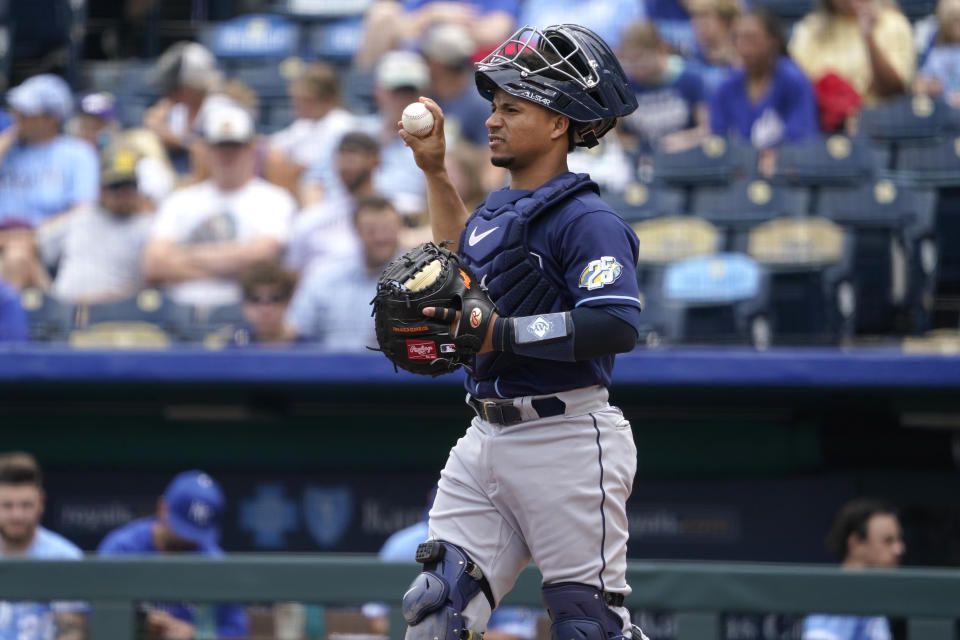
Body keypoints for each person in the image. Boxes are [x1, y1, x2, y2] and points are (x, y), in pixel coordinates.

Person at [395, 23, 646, 640]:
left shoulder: (588, 218)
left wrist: (499, 334)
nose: (493, 120)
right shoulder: (495, 211)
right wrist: (434, 172)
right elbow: (463, 264)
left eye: (512, 107)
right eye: (493, 107)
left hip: (566, 436)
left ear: (558, 122)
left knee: (587, 627)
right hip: (484, 435)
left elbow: (615, 323)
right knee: (434, 613)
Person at [142, 103, 295, 309]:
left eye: (235, 146)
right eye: (219, 146)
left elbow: (260, 258)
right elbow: (154, 264)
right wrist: (231, 269)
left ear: (251, 148)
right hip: (180, 314)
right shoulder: (179, 201)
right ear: (206, 149)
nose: (227, 155)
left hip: (241, 315)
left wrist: (184, 255)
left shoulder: (275, 200)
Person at [97, 470, 248, 640]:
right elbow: (96, 619)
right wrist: (139, 625)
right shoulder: (122, 548)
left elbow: (237, 633)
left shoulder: (215, 563)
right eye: (182, 529)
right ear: (163, 507)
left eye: (195, 534)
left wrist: (196, 635)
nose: (188, 538)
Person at [0, 74, 99, 290]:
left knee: (17, 257)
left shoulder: (77, 153)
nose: (18, 116)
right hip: (5, 239)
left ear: (52, 118)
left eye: (27, 112)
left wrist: (34, 236)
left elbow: (84, 211)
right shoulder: (7, 149)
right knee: (17, 255)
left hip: (48, 242)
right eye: (17, 110)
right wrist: (8, 138)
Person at [37, 144, 153, 304]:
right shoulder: (80, 217)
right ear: (101, 189)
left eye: (130, 186)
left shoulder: (149, 227)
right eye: (116, 186)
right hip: (62, 313)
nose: (124, 194)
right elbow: (35, 243)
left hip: (117, 316)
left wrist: (107, 300)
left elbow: (154, 281)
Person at [710, 8, 819, 171]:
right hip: (737, 173)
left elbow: (803, 137)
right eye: (737, 39)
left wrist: (773, 157)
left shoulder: (794, 80)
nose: (743, 47)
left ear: (773, 41)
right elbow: (718, 140)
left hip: (786, 172)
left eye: (752, 38)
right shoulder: (725, 87)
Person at [286, 196, 403, 348]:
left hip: (394, 369)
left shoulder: (420, 280)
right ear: (356, 232)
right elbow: (295, 329)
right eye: (372, 230)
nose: (381, 237)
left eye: (388, 229)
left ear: (400, 228)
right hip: (328, 368)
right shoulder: (324, 276)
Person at [0, 452, 86, 640]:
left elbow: (72, 631)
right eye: (7, 506)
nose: (17, 515)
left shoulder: (64, 557)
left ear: (41, 502)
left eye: (26, 505)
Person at [801, 498, 905, 640]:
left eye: (898, 539)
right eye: (888, 540)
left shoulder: (868, 596)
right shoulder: (839, 597)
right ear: (856, 543)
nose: (899, 549)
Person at [788, 0, 915, 113]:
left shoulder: (892, 23)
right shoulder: (810, 28)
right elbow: (794, 89)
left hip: (878, 124)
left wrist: (868, 37)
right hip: (823, 123)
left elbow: (893, 91)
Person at [286, 132, 381, 274]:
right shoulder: (313, 217)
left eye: (353, 155)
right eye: (341, 156)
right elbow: (294, 270)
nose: (345, 164)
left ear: (374, 161)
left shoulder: (397, 211)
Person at [265, 62, 356, 202]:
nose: (297, 106)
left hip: (329, 194)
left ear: (326, 99)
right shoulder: (305, 124)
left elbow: (312, 168)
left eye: (306, 100)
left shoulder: (341, 124)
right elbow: (271, 144)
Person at [618, 20, 709, 154]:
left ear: (660, 49)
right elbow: (614, 135)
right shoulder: (623, 84)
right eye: (629, 60)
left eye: (639, 58)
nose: (634, 66)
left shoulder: (690, 79)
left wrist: (687, 140)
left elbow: (707, 129)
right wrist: (636, 146)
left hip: (686, 157)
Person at [143, 41, 221, 175]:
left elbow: (213, 153)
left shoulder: (219, 108)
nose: (170, 93)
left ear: (194, 85)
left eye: (176, 87)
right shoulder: (177, 108)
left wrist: (179, 141)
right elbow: (152, 124)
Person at [232, 260, 300, 346]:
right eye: (255, 299)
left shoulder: (309, 350)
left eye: (275, 299)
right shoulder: (232, 345)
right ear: (243, 304)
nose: (265, 309)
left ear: (288, 302)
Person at [687, 0, 742, 98]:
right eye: (694, 17)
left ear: (727, 22)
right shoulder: (690, 61)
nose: (696, 24)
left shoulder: (744, 62)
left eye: (704, 17)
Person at [913, 0, 960, 106]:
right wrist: (929, 86)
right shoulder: (936, 48)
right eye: (957, 21)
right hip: (940, 110)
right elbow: (919, 84)